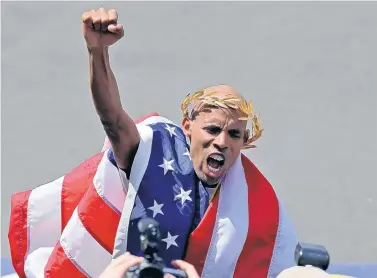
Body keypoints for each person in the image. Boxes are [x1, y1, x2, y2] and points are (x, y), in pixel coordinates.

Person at [8, 7, 299, 278]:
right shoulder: (154, 149)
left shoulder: (254, 201)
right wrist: (97, 53)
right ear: (188, 126)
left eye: (234, 135)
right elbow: (112, 119)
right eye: (212, 129)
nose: (222, 142)